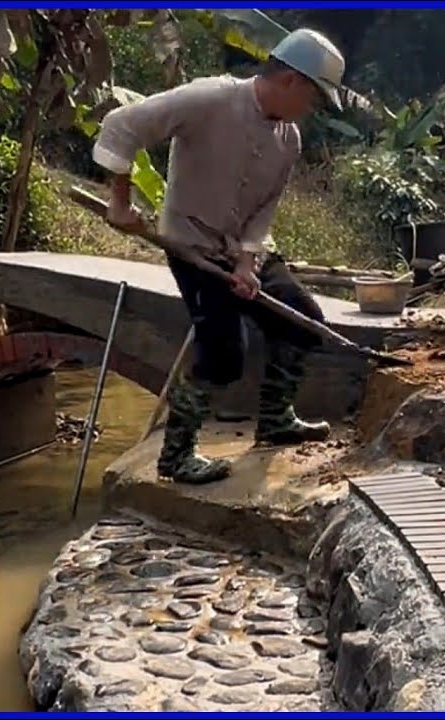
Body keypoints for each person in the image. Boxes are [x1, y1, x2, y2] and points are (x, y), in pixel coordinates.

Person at [92, 29, 347, 485]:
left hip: (241, 249)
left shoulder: (288, 139)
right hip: (192, 247)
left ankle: (275, 420)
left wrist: (249, 264)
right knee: (224, 354)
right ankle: (175, 455)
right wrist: (119, 201)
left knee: (302, 320)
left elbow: (264, 209)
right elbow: (120, 126)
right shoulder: (208, 98)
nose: (313, 111)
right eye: (313, 98)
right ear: (290, 80)